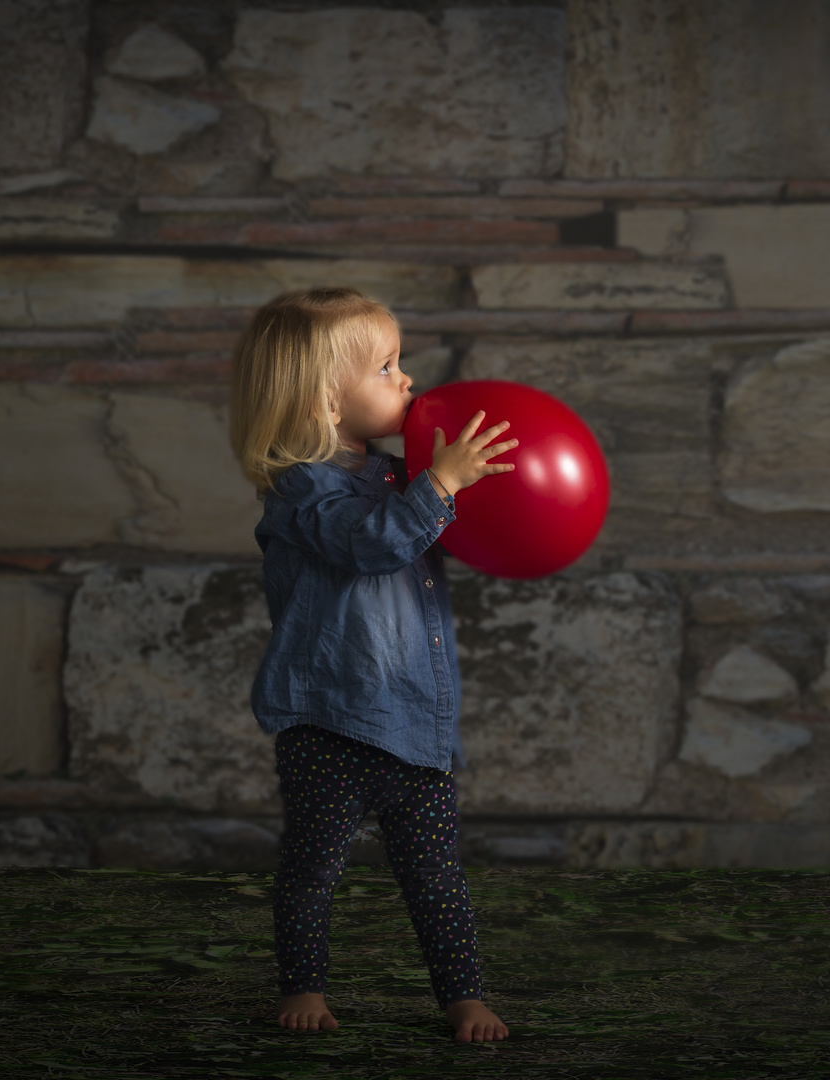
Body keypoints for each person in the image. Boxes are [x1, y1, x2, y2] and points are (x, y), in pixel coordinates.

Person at [229, 287, 515, 1044]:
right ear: (325, 402)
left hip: (415, 725)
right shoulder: (301, 492)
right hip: (331, 724)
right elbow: (371, 545)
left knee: (435, 876)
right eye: (386, 366)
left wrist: (470, 497)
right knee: (313, 868)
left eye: (400, 361)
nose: (407, 380)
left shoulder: (398, 476)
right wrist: (441, 487)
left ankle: (460, 995)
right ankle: (304, 984)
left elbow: (425, 536)